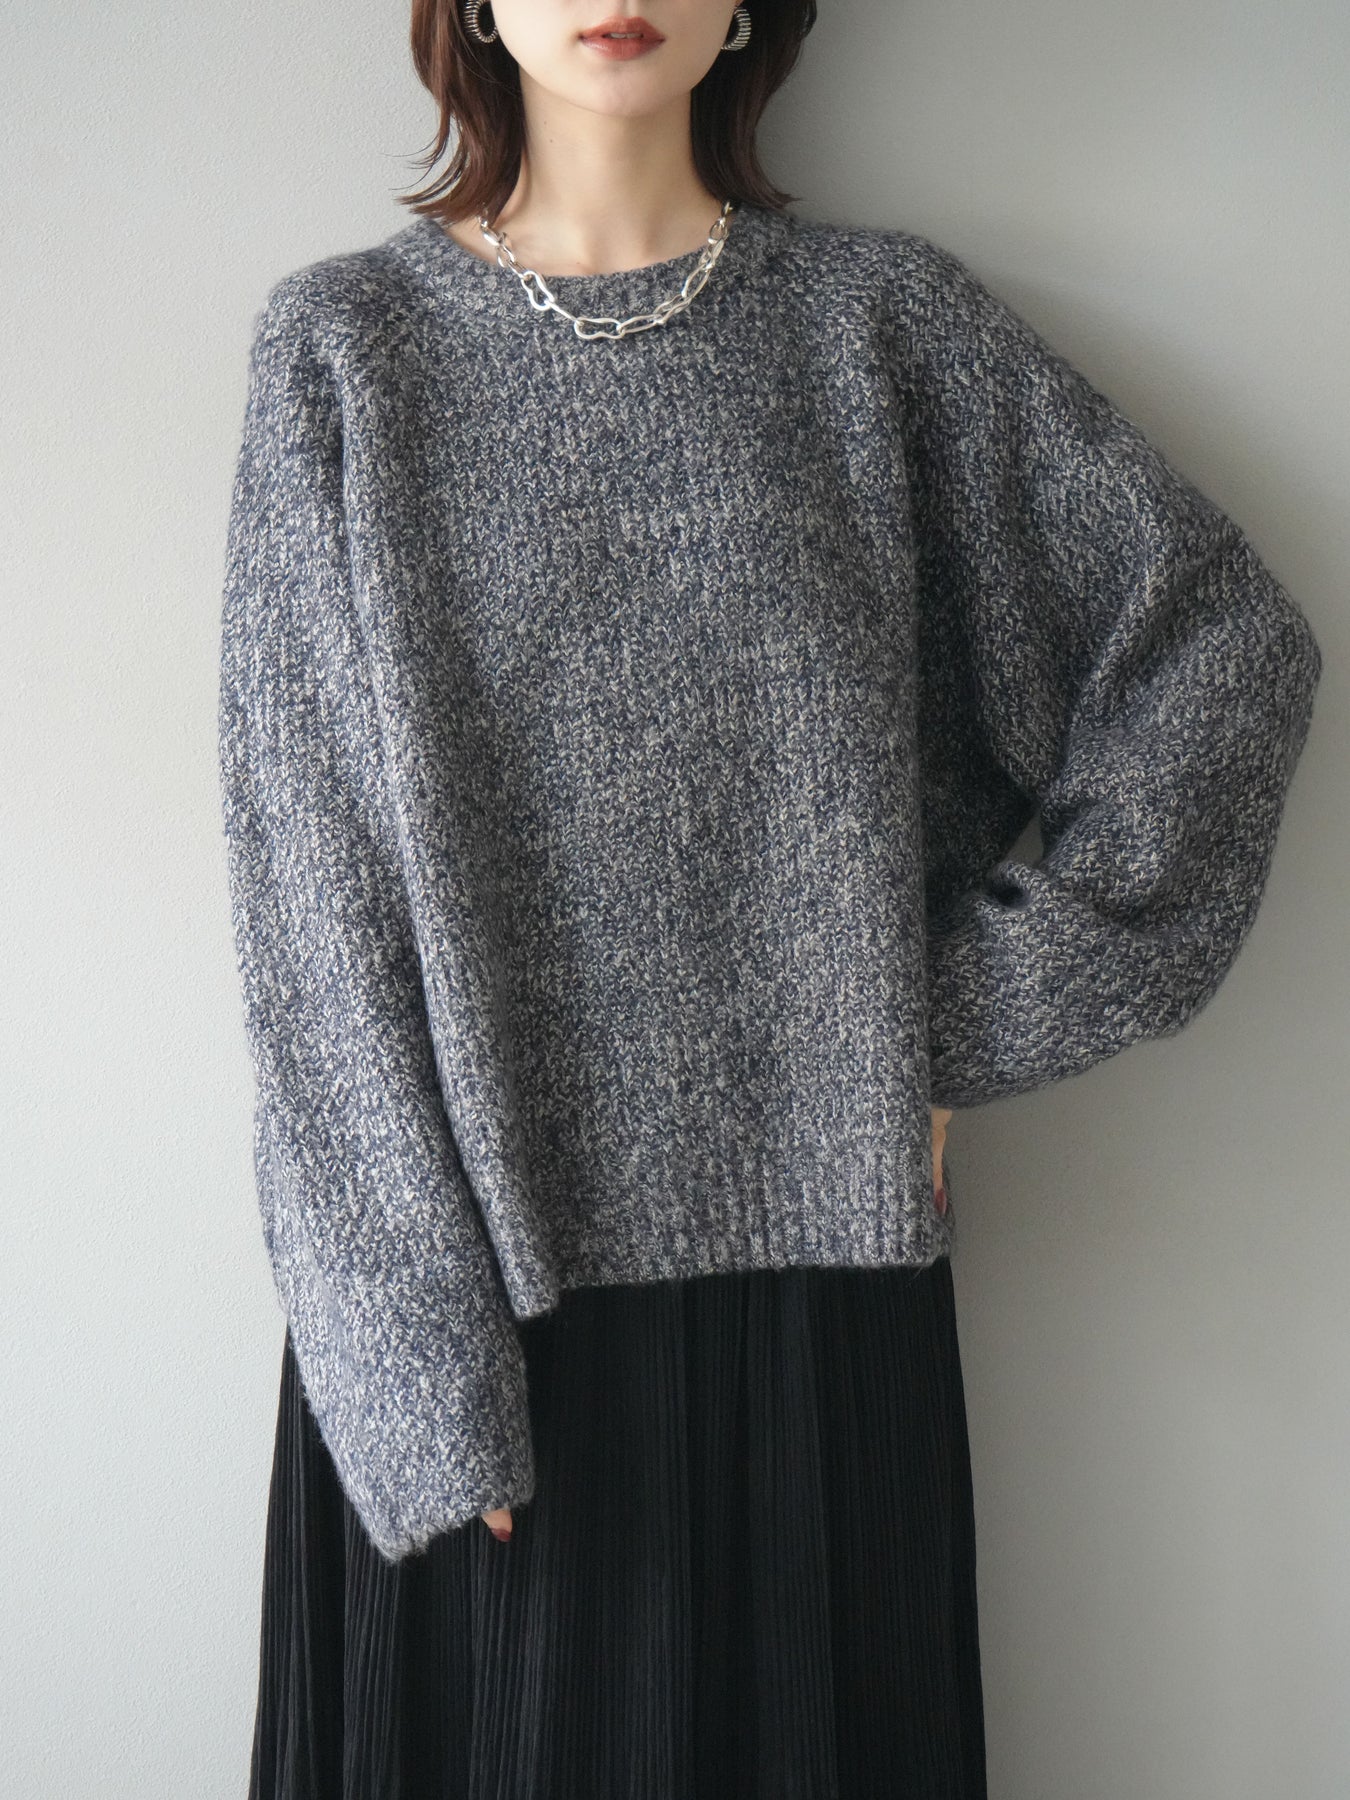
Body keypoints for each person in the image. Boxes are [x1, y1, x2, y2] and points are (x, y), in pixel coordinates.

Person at [216, 2, 1322, 1795]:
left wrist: (935, 1028)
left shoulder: (879, 326)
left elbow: (1217, 655)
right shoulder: (346, 349)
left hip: (821, 1294)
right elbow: (309, 897)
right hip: (478, 1290)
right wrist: (413, 1366)